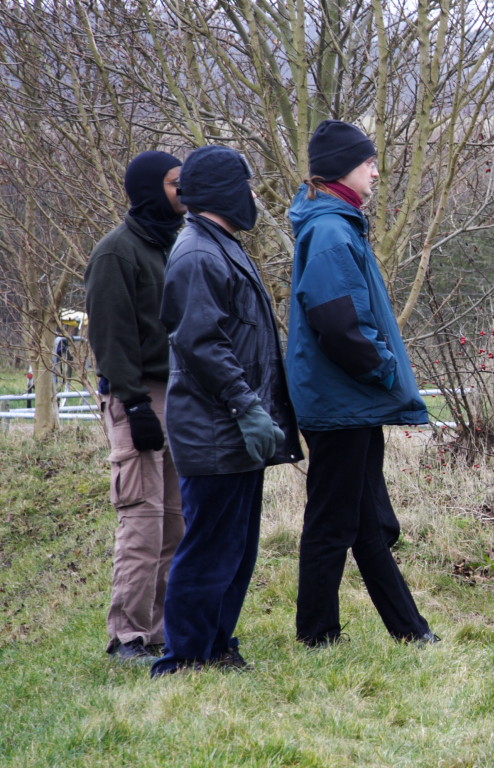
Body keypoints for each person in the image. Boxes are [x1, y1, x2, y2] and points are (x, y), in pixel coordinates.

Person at [152, 145, 302, 676]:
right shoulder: (197, 254)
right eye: (246, 185)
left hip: (233, 430)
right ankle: (185, 657)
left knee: (235, 549)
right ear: (223, 192)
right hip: (215, 428)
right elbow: (202, 343)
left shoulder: (220, 246)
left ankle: (216, 645)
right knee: (209, 549)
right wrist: (246, 407)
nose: (254, 195)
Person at [287, 119, 437, 647]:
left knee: (368, 521)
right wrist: (385, 370)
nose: (376, 172)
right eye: (368, 162)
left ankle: (410, 631)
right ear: (342, 169)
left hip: (350, 400)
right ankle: (317, 635)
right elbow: (340, 324)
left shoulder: (339, 226)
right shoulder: (331, 232)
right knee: (332, 521)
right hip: (341, 401)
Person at [84, 151, 187, 664]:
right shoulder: (116, 253)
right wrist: (134, 404)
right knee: (142, 521)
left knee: (174, 522)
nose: (183, 191)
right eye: (174, 183)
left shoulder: (177, 245)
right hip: (138, 397)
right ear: (149, 188)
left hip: (179, 396)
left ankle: (161, 631)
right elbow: (111, 336)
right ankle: (127, 636)